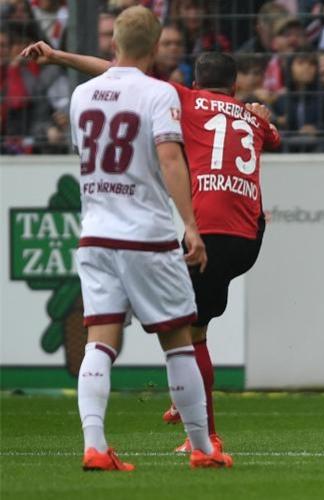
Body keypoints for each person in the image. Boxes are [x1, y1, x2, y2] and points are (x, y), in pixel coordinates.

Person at [22, 43, 280, 456]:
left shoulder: (186, 99)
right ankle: (184, 398)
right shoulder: (253, 117)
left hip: (209, 233)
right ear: (234, 87)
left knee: (188, 335)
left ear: (196, 83)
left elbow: (116, 71)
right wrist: (258, 116)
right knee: (200, 319)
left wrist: (61, 57)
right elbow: (269, 133)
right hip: (249, 237)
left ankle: (205, 433)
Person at [66, 6, 230, 470]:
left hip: (95, 233)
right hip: (146, 234)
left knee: (99, 340)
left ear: (112, 43)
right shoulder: (159, 94)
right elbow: (171, 160)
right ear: (156, 48)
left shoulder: (80, 95)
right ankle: (202, 449)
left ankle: (95, 446)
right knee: (178, 339)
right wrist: (191, 225)